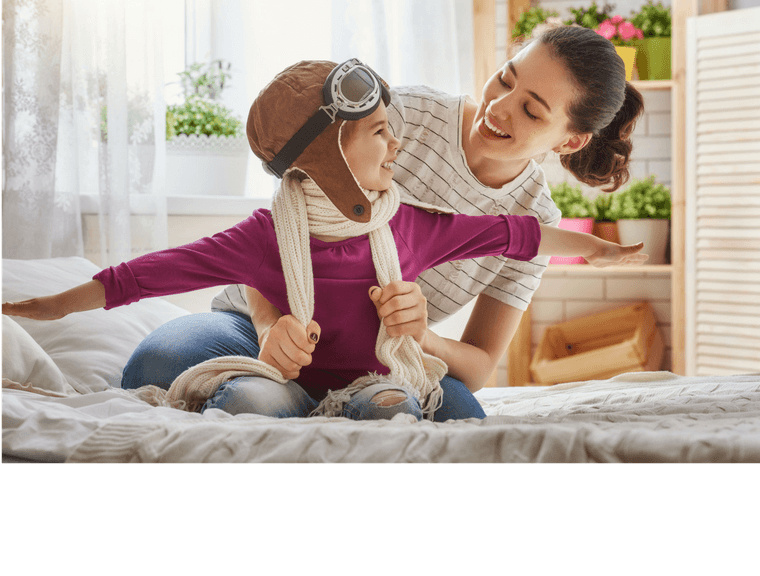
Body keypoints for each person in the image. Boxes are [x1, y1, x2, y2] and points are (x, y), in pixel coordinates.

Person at [2, 51, 646, 422]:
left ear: (570, 139)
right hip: (260, 323)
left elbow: (479, 357)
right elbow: (284, 209)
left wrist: (417, 334)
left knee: (459, 420)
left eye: (532, 108)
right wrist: (273, 325)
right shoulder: (407, 112)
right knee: (160, 363)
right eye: (506, 77)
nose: (501, 106)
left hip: (384, 355)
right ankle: (276, 394)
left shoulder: (482, 222)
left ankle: (320, 404)